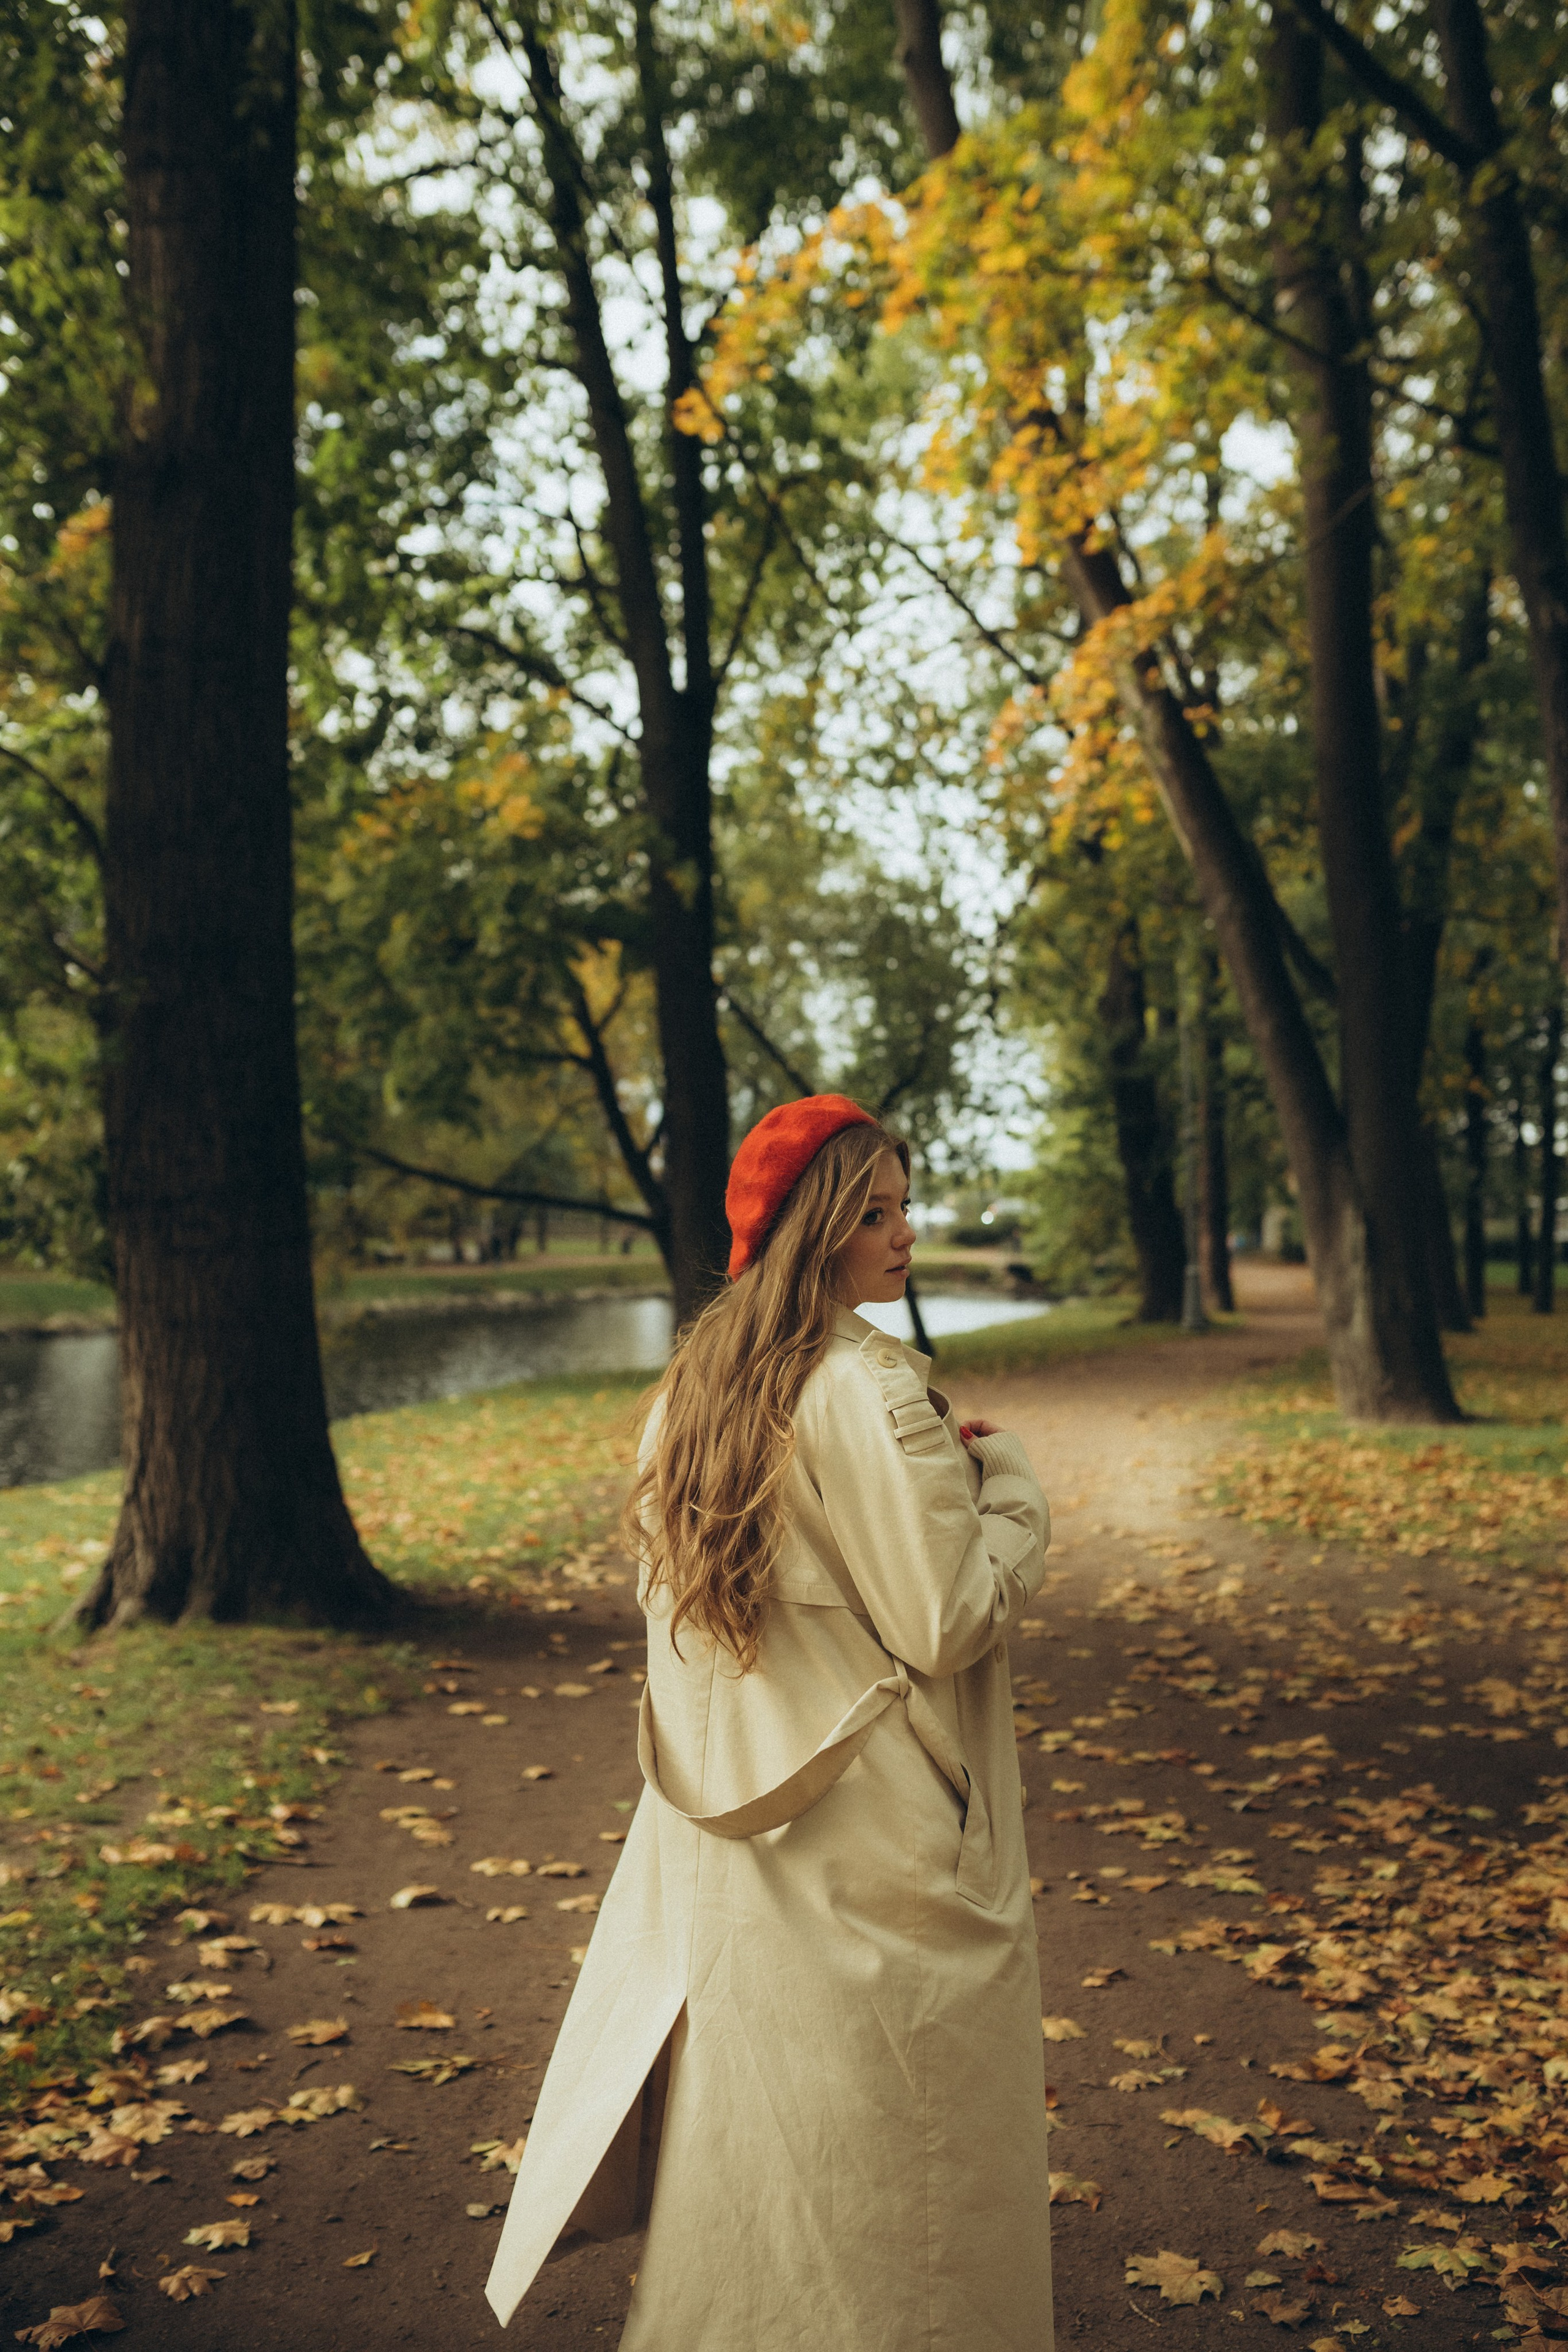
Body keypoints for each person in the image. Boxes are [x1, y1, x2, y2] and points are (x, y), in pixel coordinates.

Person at [486, 1095, 1055, 2349]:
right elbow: (949, 1619)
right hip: (879, 1839)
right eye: (874, 1213)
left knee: (766, 2162)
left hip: (744, 1844)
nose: (903, 1234)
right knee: (907, 2173)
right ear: (813, 1229)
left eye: (905, 1207)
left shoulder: (686, 1399)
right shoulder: (865, 1388)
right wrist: (1013, 1496)